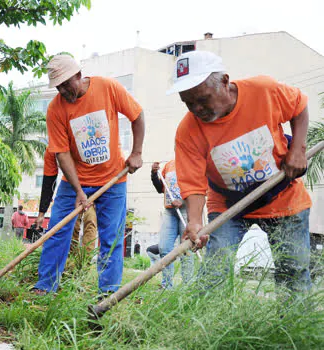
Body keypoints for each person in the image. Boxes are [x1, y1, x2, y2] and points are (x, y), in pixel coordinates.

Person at [168, 50, 312, 293]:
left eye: (203, 99)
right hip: (228, 204)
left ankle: (291, 329)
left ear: (224, 81)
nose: (197, 108)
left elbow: (299, 105)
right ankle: (210, 328)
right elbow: (192, 183)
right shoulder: (188, 131)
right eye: (188, 102)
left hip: (281, 194)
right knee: (215, 273)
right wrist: (194, 223)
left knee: (293, 273)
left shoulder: (262, 90)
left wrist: (297, 150)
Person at [32, 54, 145, 295]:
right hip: (73, 180)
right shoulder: (55, 109)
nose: (63, 90)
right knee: (57, 231)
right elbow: (61, 154)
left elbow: (137, 115)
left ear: (78, 74)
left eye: (66, 83)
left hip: (113, 179)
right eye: (58, 87)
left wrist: (136, 152)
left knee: (111, 238)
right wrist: (79, 191)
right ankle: (45, 286)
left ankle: (108, 295)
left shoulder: (108, 87)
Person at [35, 149, 98, 252]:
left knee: (90, 222)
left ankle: (85, 262)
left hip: (94, 185)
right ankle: (70, 259)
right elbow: (48, 182)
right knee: (71, 225)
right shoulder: (51, 150)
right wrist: (42, 213)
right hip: (70, 186)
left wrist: (96, 198)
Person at [151, 159, 193, 289]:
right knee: (164, 247)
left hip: (187, 210)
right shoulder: (169, 165)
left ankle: (187, 287)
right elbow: (160, 189)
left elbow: (199, 190)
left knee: (186, 249)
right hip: (170, 211)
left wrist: (183, 201)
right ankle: (167, 286)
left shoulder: (192, 163)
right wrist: (153, 174)